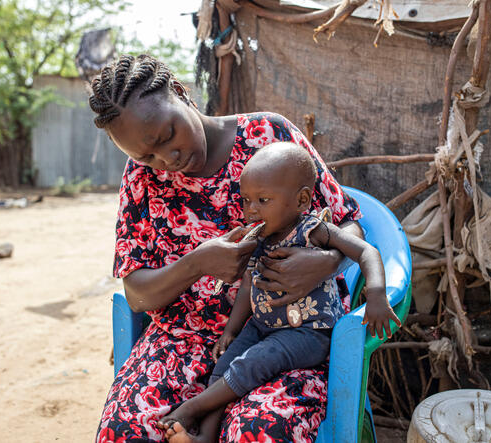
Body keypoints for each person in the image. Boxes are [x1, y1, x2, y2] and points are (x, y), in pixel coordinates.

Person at [90, 53, 365, 442]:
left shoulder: (270, 136)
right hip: (181, 342)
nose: (167, 160)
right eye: (146, 156)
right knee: (126, 429)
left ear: (182, 93)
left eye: (168, 135)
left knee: (257, 429)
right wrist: (198, 262)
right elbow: (136, 294)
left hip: (286, 338)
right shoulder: (140, 180)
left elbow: (347, 221)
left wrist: (325, 263)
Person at [156, 142, 401, 443]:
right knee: (222, 366)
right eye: (246, 200)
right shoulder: (258, 236)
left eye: (263, 199)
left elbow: (366, 252)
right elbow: (249, 283)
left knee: (256, 361)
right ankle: (206, 436)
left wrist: (376, 295)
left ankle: (191, 409)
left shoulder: (313, 230)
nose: (251, 209)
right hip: (263, 326)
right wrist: (231, 330)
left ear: (301, 200)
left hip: (309, 332)